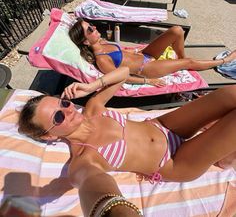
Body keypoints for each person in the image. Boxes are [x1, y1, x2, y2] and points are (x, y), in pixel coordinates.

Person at [18, 67, 236, 216]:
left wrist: (92, 86)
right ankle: (226, 158)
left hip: (164, 125)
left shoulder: (92, 109)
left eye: (63, 104)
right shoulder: (84, 161)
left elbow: (122, 73)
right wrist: (117, 210)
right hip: (175, 161)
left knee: (231, 94)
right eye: (58, 117)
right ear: (49, 135)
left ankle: (227, 154)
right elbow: (98, 192)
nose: (69, 111)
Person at [69, 19, 236, 87]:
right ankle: (224, 61)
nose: (95, 27)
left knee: (177, 30)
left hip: (144, 54)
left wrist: (135, 51)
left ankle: (182, 62)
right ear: (85, 41)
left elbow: (124, 56)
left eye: (91, 25)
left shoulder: (103, 42)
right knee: (188, 62)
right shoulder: (102, 59)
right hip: (146, 67)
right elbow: (121, 77)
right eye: (90, 29)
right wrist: (148, 81)